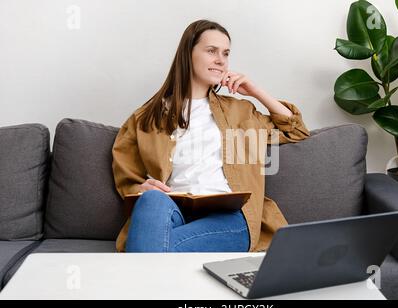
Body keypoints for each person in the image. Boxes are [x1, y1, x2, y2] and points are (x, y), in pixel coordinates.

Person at [112, 19, 310, 253]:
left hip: (229, 218)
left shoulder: (241, 112)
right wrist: (141, 189)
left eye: (226, 53)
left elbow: (295, 130)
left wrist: (255, 92)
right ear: (188, 54)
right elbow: (127, 178)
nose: (221, 60)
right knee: (151, 201)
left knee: (151, 248)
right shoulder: (145, 117)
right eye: (211, 51)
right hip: (173, 210)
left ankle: (140, 271)